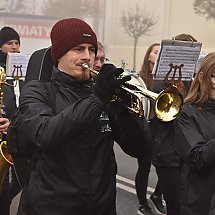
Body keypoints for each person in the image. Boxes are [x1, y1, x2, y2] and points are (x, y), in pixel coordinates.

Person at [16, 17, 152, 215]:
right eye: (78, 49)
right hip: (52, 207)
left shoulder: (103, 94)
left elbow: (140, 148)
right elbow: (45, 134)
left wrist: (124, 108)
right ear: (59, 55)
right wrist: (98, 98)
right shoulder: (38, 91)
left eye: (92, 49)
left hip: (102, 207)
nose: (87, 56)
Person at [150, 34, 198, 215]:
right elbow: (164, 116)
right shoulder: (161, 80)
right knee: (176, 207)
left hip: (189, 153)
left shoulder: (194, 81)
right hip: (168, 153)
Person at [174, 52, 215, 215]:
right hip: (199, 203)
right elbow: (197, 159)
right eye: (214, 76)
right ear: (202, 77)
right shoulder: (186, 113)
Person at [135, 43, 166, 215]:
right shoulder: (141, 78)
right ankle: (142, 203)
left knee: (167, 165)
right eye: (155, 52)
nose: (159, 54)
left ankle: (157, 195)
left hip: (163, 129)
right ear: (149, 56)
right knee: (144, 168)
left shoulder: (168, 77)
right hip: (146, 128)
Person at [0, 26, 22, 215]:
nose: (14, 47)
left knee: (20, 182)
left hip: (20, 136)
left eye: (17, 43)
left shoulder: (23, 72)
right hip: (3, 138)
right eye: (9, 43)